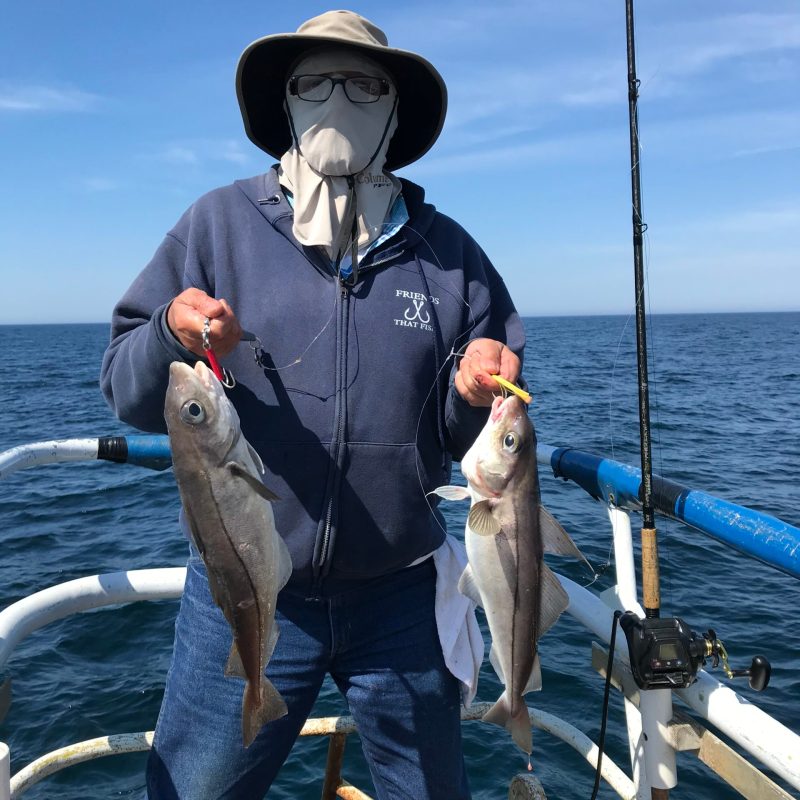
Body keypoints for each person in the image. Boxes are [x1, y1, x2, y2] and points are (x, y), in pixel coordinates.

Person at [101, 10, 525, 800]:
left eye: (363, 84)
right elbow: (126, 387)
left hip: (403, 590)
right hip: (244, 580)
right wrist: (168, 331)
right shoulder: (216, 226)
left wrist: (475, 392)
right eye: (314, 83)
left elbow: (470, 434)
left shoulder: (452, 255)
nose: (338, 99)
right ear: (285, 104)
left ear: (395, 110)